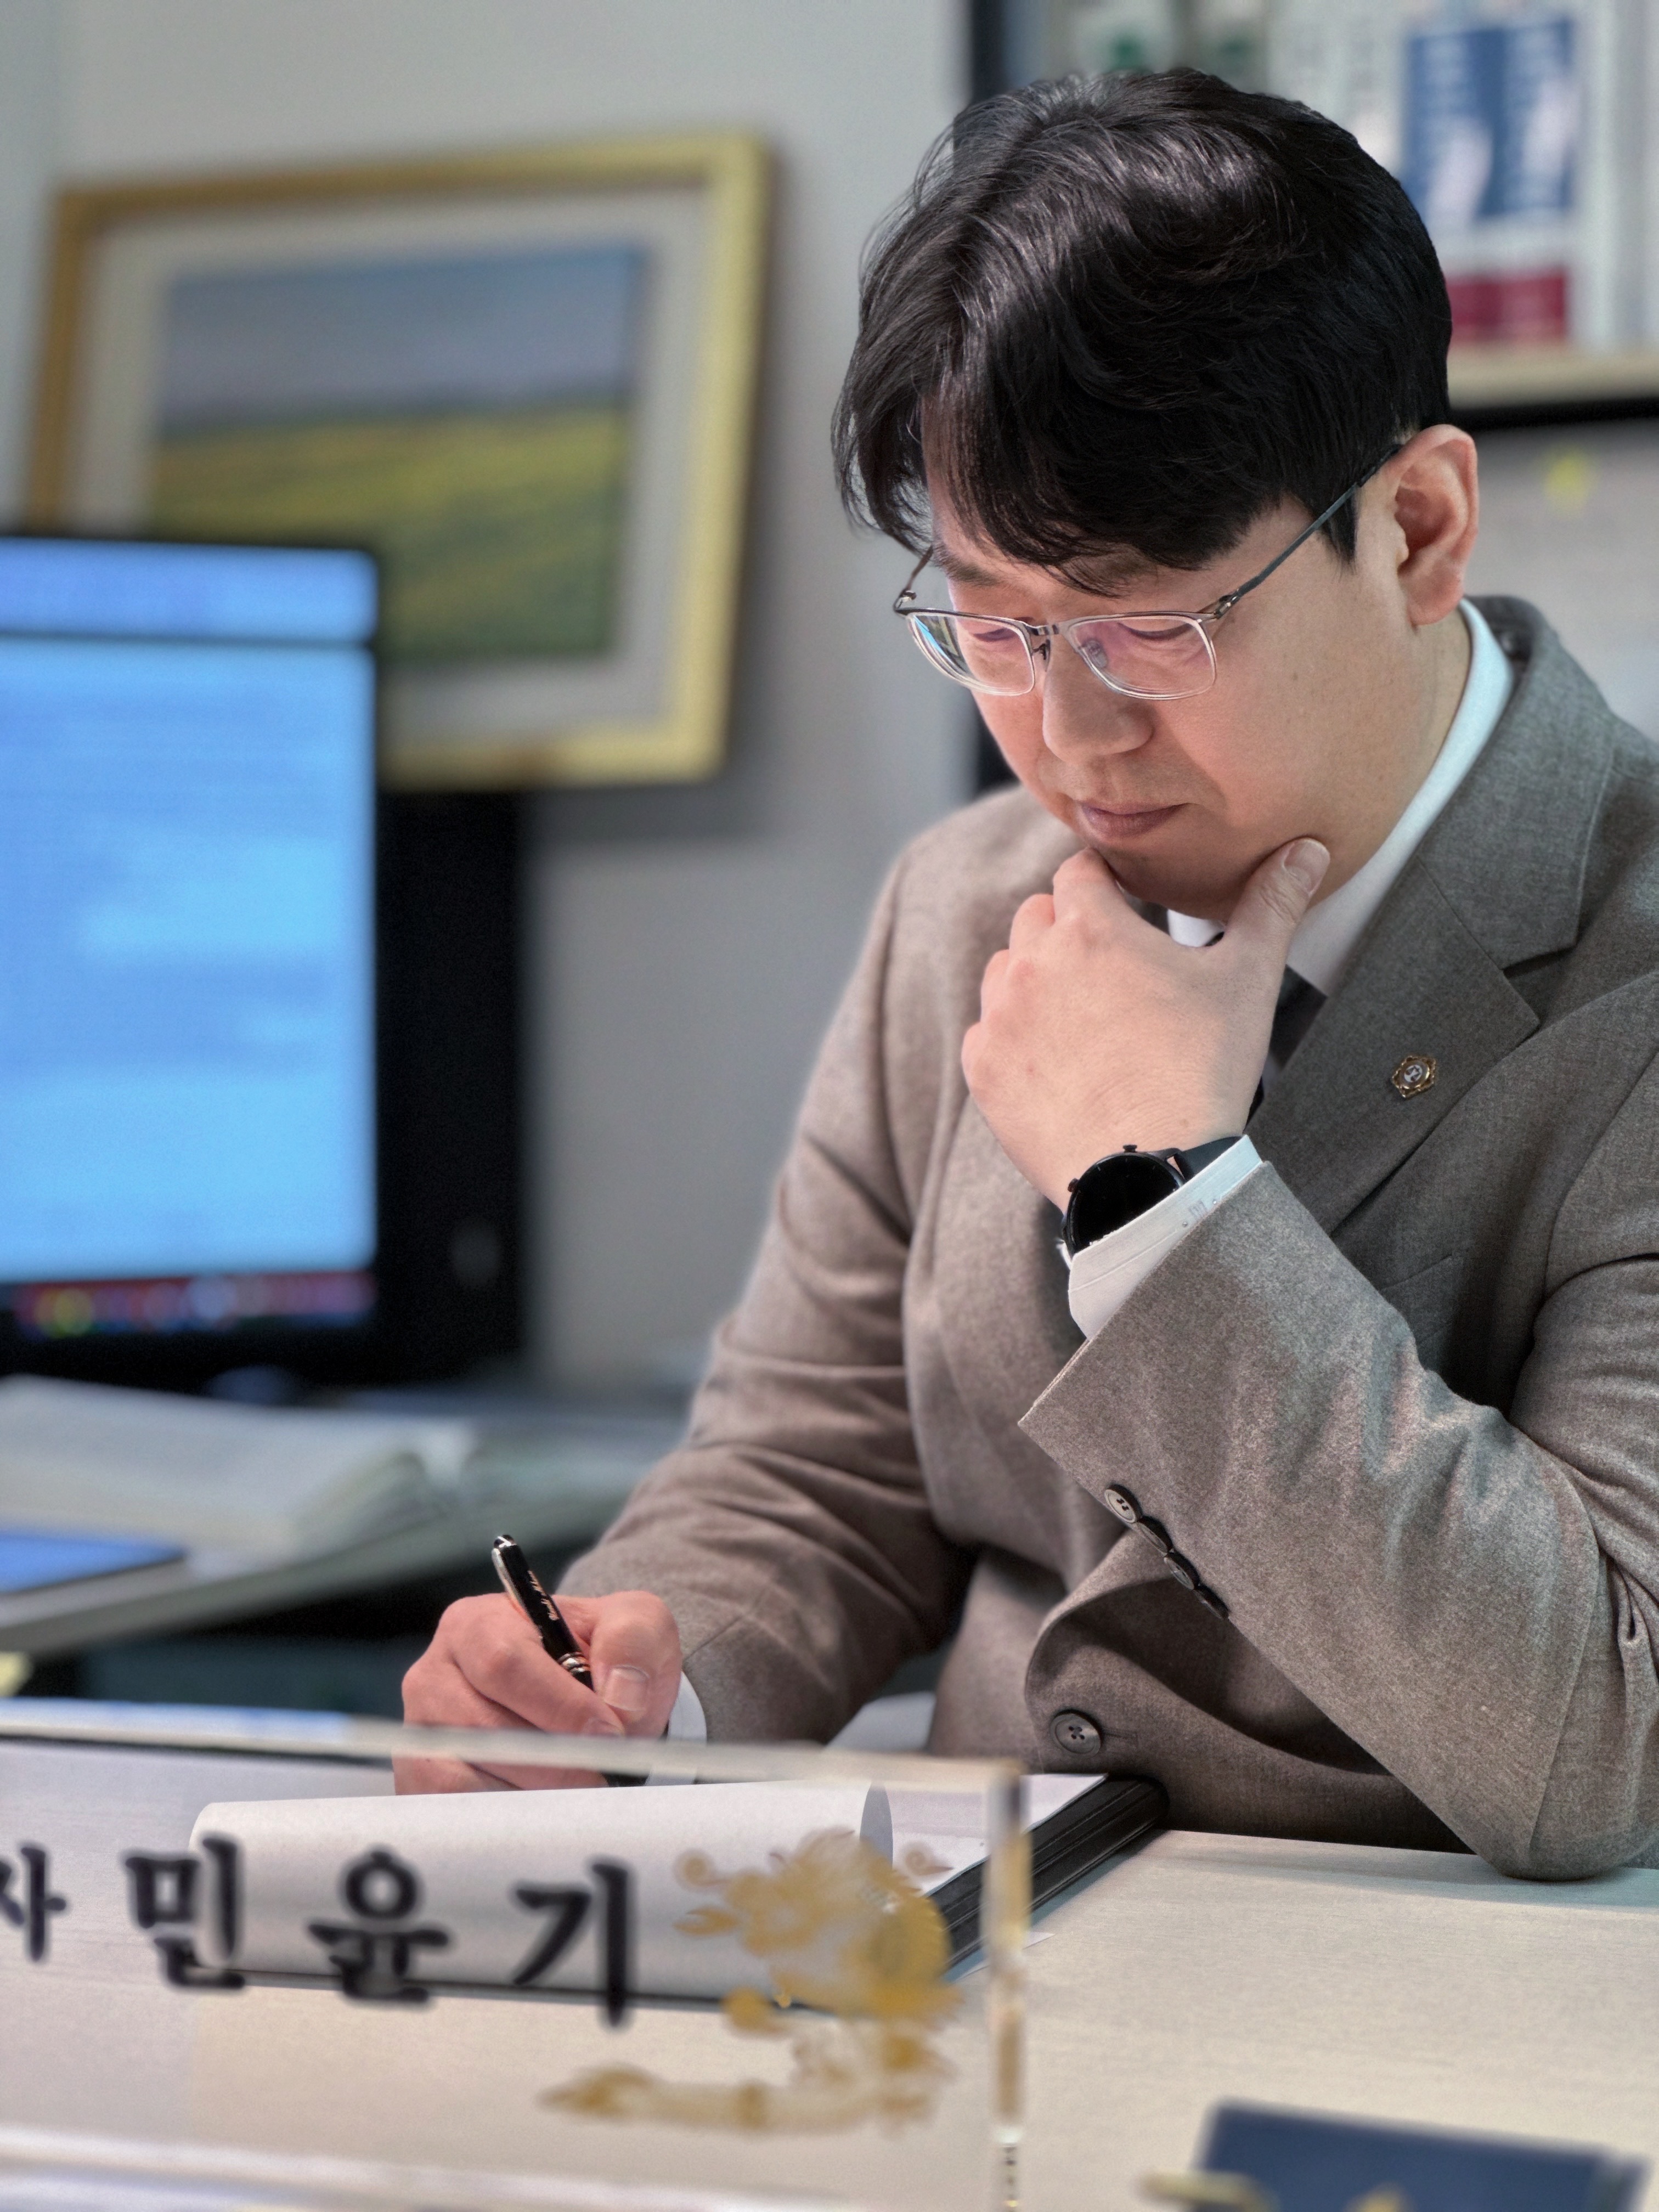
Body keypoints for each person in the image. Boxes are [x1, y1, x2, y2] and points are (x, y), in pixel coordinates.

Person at [399, 70, 1659, 1878]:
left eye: (1152, 626)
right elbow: (815, 1472)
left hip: (1419, 1984)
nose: (1067, 738)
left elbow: (1598, 1734)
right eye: (991, 623)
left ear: (1418, 530)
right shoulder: (961, 905)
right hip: (967, 1944)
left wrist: (1166, 1202)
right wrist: (634, 1704)